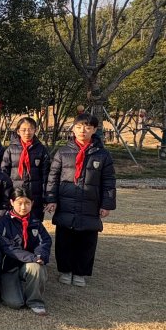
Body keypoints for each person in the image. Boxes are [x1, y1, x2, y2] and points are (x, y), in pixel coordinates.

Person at [45, 113, 116, 287]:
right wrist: (51, 199)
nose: (82, 131)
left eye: (87, 127)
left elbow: (109, 181)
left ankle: (80, 272)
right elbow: (53, 177)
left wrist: (107, 204)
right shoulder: (63, 152)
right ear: (73, 129)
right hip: (66, 201)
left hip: (90, 203)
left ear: (94, 130)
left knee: (87, 240)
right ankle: (65, 270)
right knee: (64, 239)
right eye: (78, 127)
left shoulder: (103, 155)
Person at [0, 188, 51, 315]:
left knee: (37, 267)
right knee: (15, 303)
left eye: (27, 203)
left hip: (29, 264)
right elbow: (8, 248)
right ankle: (12, 287)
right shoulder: (3, 223)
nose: (23, 207)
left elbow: (44, 241)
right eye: (19, 203)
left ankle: (35, 301)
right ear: (12, 202)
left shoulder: (35, 222)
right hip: (9, 267)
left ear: (32, 203)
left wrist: (40, 256)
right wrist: (33, 257)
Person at [1, 116, 51, 220]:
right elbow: (4, 173)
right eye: (23, 130)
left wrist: (45, 196)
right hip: (15, 195)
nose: (27, 132)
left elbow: (46, 175)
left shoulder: (41, 150)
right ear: (18, 131)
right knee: (14, 224)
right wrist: (6, 195)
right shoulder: (10, 150)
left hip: (35, 196)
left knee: (34, 224)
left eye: (30, 129)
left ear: (35, 130)